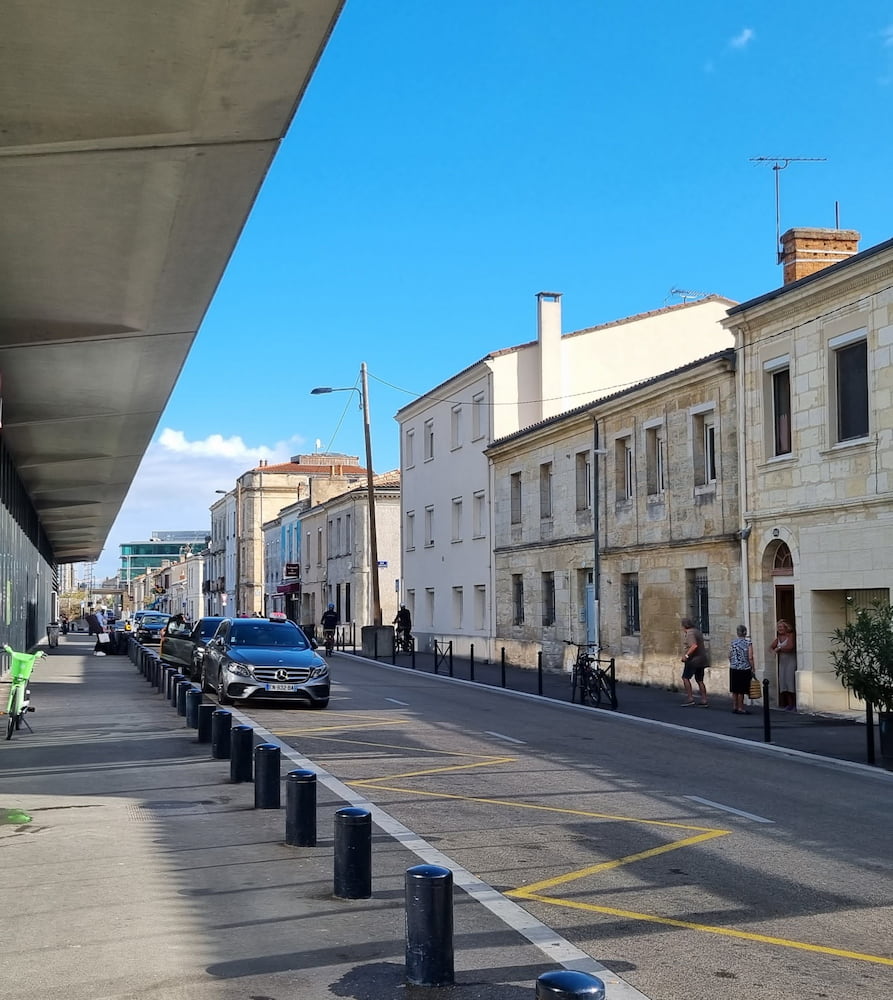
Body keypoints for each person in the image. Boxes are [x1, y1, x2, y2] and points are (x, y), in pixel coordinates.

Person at [680, 617, 709, 707]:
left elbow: (694, 646)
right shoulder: (697, 631)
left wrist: (686, 656)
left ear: (684, 626)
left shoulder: (690, 633)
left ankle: (690, 698)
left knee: (685, 678)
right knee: (700, 680)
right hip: (701, 659)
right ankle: (704, 699)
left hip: (693, 660)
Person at [771, 619, 797, 711]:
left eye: (781, 627)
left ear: (786, 627)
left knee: (790, 682)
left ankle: (794, 704)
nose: (779, 629)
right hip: (782, 663)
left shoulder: (790, 635)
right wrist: (774, 650)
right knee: (783, 683)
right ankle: (788, 704)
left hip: (790, 661)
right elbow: (771, 647)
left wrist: (778, 649)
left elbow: (790, 647)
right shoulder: (778, 637)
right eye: (778, 627)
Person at [729, 624, 755, 714]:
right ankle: (740, 707)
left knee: (735, 689)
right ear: (745, 632)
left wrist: (733, 663)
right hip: (744, 668)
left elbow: (729, 655)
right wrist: (753, 668)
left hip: (734, 667)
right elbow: (750, 657)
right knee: (741, 690)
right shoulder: (748, 643)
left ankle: (734, 706)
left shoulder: (733, 642)